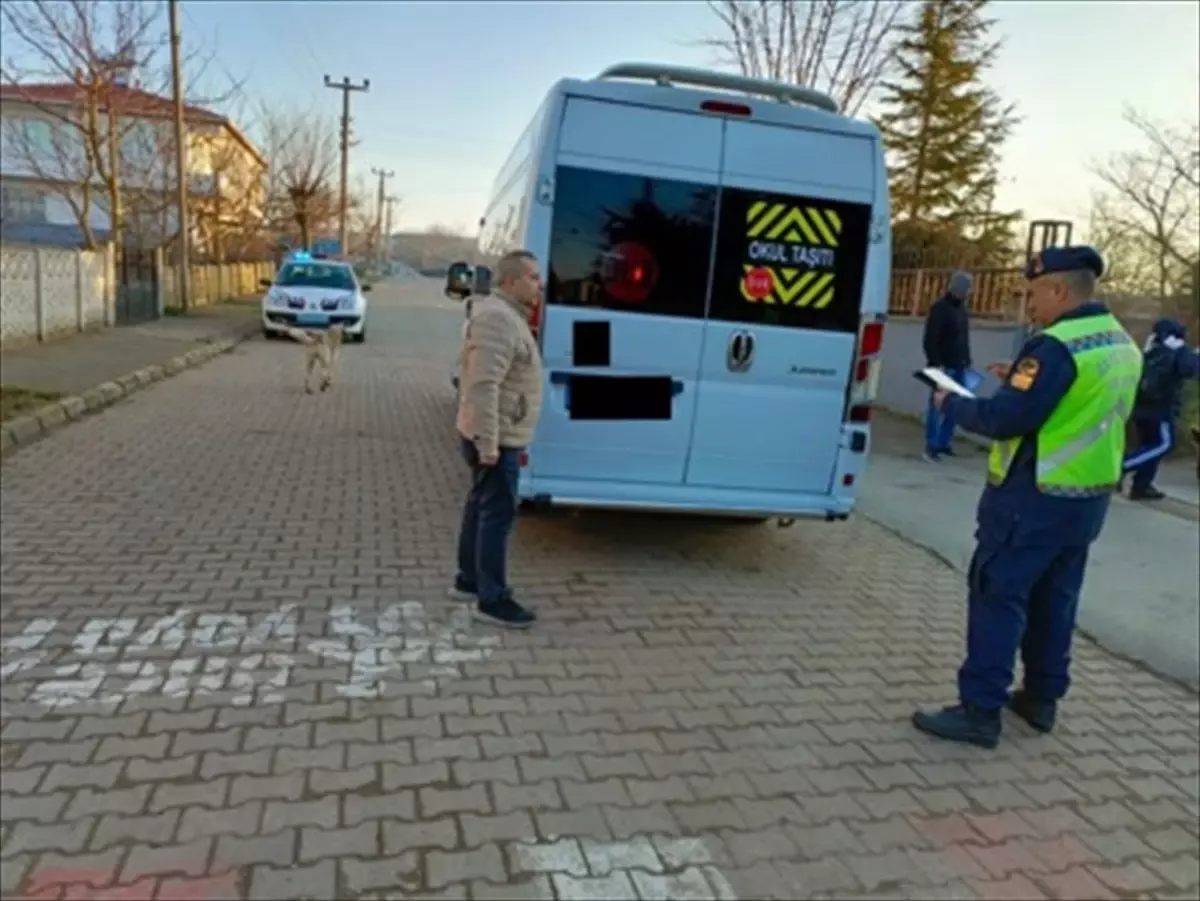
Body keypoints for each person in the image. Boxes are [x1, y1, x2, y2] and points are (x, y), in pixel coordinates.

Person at [912, 246, 1143, 749]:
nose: (1027, 304)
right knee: (1055, 601)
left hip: (1030, 500)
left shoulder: (1055, 347)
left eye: (1034, 293)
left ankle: (980, 711)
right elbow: (1081, 406)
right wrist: (1014, 379)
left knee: (998, 595)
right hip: (1085, 502)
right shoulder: (1122, 343)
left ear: (1060, 290)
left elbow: (1004, 421)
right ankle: (1040, 700)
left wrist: (951, 402)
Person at [450, 250, 544, 629]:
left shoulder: (508, 317)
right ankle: (492, 598)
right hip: (496, 437)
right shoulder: (499, 320)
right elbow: (482, 385)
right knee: (497, 516)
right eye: (533, 277)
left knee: (481, 506)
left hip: (496, 433)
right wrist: (489, 443)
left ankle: (469, 580)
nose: (539, 284)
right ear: (510, 281)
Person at [1121, 317, 1200, 501]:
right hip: (1160, 408)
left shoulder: (1150, 349)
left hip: (1140, 407)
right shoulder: (1178, 350)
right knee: (1163, 444)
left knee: (1148, 445)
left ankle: (1141, 486)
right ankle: (1122, 467)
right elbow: (1192, 369)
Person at [921, 271, 974, 461]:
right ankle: (931, 446)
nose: (967, 293)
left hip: (959, 365)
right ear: (956, 288)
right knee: (936, 408)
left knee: (955, 407)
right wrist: (937, 364)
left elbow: (963, 339)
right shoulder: (940, 309)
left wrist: (967, 361)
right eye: (965, 289)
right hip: (943, 367)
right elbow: (930, 340)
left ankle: (943, 443)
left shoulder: (961, 311)